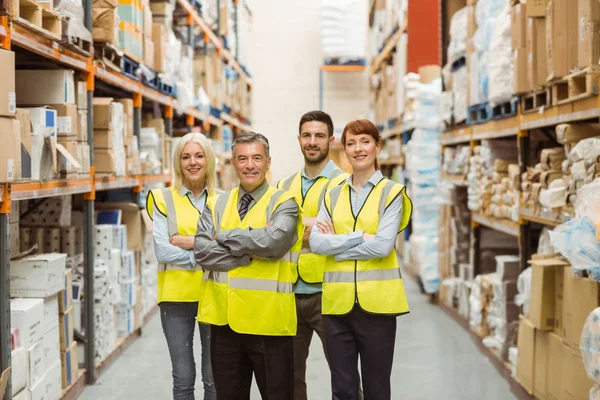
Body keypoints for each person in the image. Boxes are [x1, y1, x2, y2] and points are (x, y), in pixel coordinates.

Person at [194, 131, 303, 400]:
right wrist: (250, 252)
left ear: (268, 162)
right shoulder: (215, 203)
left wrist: (225, 236)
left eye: (256, 158)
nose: (250, 165)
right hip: (225, 324)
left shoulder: (284, 203)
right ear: (233, 162)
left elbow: (276, 243)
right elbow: (202, 252)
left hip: (269, 324)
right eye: (242, 159)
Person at [310, 119, 412, 400]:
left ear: (377, 145)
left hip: (377, 307)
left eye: (365, 141)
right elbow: (317, 243)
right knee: (342, 389)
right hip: (336, 307)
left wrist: (337, 245)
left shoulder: (392, 193)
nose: (358, 149)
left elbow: (382, 246)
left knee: (377, 389)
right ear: (344, 149)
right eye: (351, 143)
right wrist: (360, 236)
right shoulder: (332, 194)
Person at [276, 111, 348, 400]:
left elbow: (341, 235)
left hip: (328, 294)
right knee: (289, 380)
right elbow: (274, 235)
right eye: (307, 135)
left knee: (344, 377)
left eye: (319, 136)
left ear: (331, 140)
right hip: (290, 293)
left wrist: (296, 229)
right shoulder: (284, 185)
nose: (312, 142)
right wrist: (312, 228)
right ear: (299, 139)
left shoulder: (344, 184)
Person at [145, 132, 218, 400]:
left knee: (214, 379)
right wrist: (207, 251)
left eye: (199, 156)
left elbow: (229, 247)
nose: (193, 162)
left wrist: (190, 243)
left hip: (214, 295)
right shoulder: (162, 198)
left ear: (208, 160)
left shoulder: (223, 200)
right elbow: (162, 250)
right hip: (175, 298)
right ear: (178, 162)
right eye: (186, 157)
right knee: (183, 378)